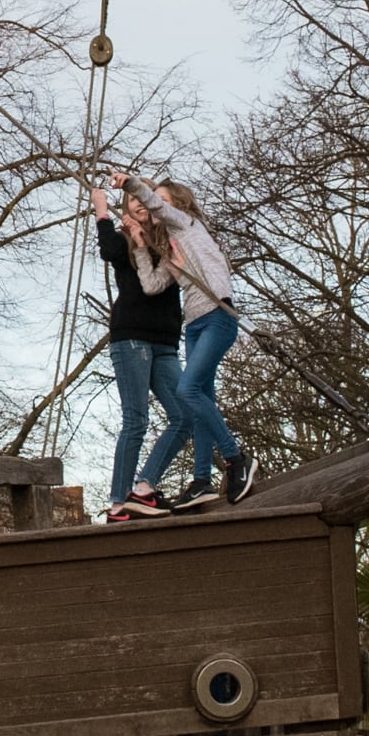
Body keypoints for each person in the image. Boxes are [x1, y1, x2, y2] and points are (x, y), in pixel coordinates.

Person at [138, 177, 249, 507]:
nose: (153, 204)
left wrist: (130, 184)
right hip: (196, 324)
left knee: (187, 390)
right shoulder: (174, 245)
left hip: (218, 316)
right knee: (200, 401)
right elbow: (152, 285)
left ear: (177, 203)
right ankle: (202, 479)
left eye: (159, 199)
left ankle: (236, 458)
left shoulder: (188, 224)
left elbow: (156, 205)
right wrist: (142, 246)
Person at [89, 172, 189, 522]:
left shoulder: (168, 240)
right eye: (130, 200)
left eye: (141, 198)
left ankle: (143, 486)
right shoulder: (124, 240)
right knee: (137, 419)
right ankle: (118, 502)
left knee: (184, 414)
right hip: (132, 336)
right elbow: (107, 250)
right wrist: (101, 210)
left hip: (165, 341)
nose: (138, 205)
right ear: (126, 206)